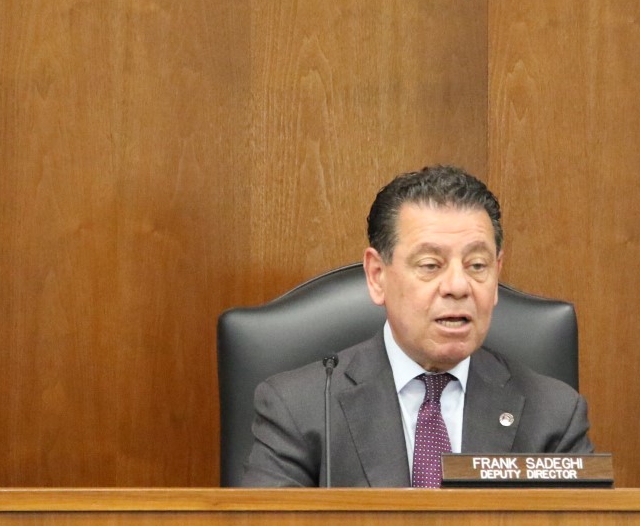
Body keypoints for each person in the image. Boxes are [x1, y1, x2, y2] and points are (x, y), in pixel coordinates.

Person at [242, 165, 593, 487]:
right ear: (377, 276)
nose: (457, 286)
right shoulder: (299, 409)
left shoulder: (554, 415)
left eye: (477, 265)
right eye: (430, 265)